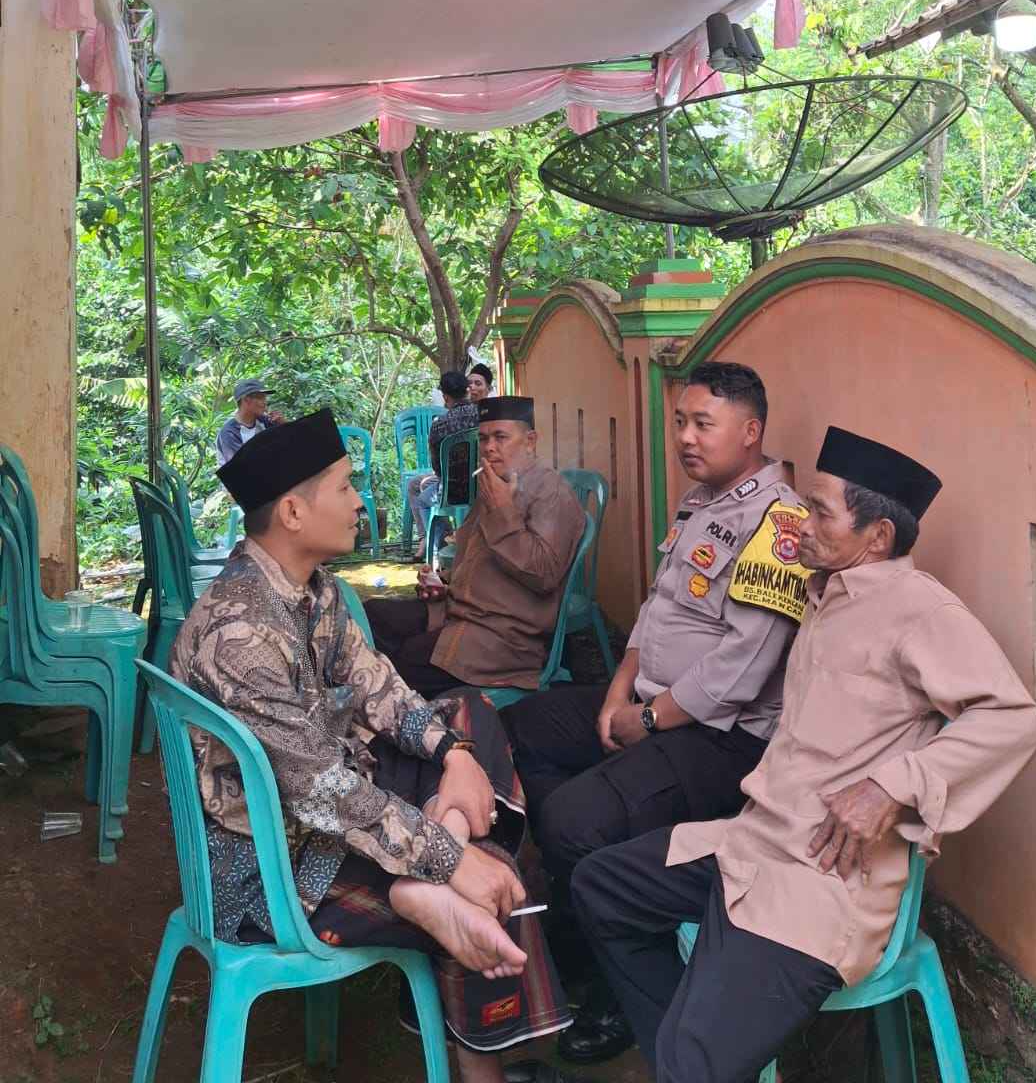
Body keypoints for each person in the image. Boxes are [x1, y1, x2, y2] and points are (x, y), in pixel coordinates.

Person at [571, 426, 1036, 1083]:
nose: (800, 522)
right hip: (751, 845)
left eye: (820, 512)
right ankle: (683, 1059)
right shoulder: (821, 592)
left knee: (694, 1059)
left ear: (876, 537)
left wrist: (893, 785)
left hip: (818, 884)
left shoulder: (920, 610)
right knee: (600, 886)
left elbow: (1014, 717)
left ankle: (690, 1062)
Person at [172, 408, 572, 1080]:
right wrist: (449, 860)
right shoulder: (241, 633)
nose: (361, 501)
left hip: (324, 807)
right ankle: (475, 1038)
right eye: (345, 486)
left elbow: (376, 685)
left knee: (466, 711)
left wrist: (453, 759)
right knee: (478, 865)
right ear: (293, 512)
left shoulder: (312, 589)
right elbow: (320, 792)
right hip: (271, 869)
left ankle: (427, 881)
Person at [503, 360, 806, 1069]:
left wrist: (648, 720)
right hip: (649, 701)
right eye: (680, 422)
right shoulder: (701, 502)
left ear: (751, 431)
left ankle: (616, 982)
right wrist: (619, 691)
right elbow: (655, 611)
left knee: (572, 821)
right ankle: (580, 916)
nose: (686, 437)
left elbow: (744, 666)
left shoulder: (779, 524)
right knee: (523, 730)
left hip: (719, 738)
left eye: (703, 423)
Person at [367, 396, 585, 699]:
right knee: (372, 617)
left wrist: (503, 510)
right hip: (460, 611)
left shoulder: (550, 494)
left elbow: (543, 573)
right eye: (483, 439)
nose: (489, 447)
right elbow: (474, 557)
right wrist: (442, 582)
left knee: (401, 663)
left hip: (503, 635)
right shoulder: (497, 482)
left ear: (530, 441)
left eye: (501, 437)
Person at [408, 369, 480, 546]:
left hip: (452, 492)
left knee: (423, 501)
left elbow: (438, 468)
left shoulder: (439, 425)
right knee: (424, 485)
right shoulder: (483, 416)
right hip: (483, 485)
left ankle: (441, 547)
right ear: (467, 391)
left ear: (445, 397)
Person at [215, 377, 284, 465]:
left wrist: (282, 424)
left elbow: (289, 443)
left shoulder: (264, 421)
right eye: (261, 398)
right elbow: (243, 467)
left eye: (265, 398)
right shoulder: (229, 433)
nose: (265, 402)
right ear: (246, 400)